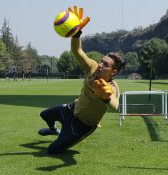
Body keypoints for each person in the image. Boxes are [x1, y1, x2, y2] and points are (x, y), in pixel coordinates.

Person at [38, 6, 125, 154]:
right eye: (101, 61)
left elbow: (115, 106)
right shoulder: (92, 67)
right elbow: (77, 51)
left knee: (52, 150)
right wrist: (76, 34)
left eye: (105, 64)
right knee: (44, 114)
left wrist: (106, 97)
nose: (100, 64)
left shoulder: (112, 87)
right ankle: (53, 129)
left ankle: (64, 136)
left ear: (113, 71)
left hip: (82, 126)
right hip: (70, 110)